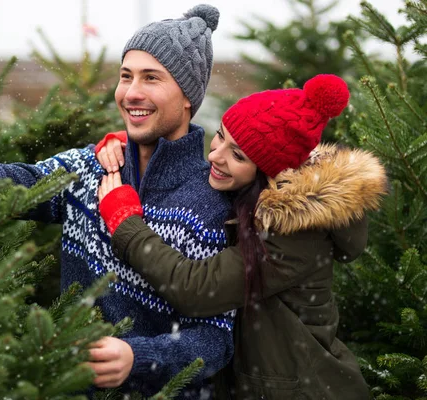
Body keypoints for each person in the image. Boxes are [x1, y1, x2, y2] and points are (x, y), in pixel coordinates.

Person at [0, 5, 237, 397]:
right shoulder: (94, 166)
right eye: (125, 76)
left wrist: (138, 356)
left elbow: (215, 340)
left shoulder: (213, 206)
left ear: (188, 97)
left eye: (151, 78)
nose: (132, 92)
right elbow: (31, 180)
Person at [96, 74, 388, 400]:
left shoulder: (296, 232)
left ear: (269, 172)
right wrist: (136, 150)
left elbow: (196, 288)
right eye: (219, 137)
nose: (215, 156)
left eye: (237, 155)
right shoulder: (249, 194)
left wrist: (125, 224)